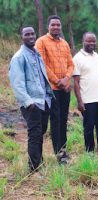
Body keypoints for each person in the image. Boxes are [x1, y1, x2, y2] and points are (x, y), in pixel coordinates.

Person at [9, 26, 53, 172]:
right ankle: (34, 168)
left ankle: (38, 161)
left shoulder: (36, 54)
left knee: (41, 132)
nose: (30, 36)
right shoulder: (19, 57)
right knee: (35, 134)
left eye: (32, 33)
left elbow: (41, 78)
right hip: (31, 103)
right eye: (27, 34)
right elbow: (17, 83)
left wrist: (49, 95)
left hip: (43, 101)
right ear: (22, 37)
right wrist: (28, 103)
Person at [35, 15, 74, 164]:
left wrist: (66, 78)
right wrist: (58, 81)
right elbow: (42, 65)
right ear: (48, 26)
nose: (56, 27)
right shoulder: (41, 42)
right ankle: (59, 154)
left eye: (58, 25)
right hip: (51, 89)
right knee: (56, 120)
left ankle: (63, 150)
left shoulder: (64, 43)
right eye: (53, 25)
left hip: (64, 89)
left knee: (64, 119)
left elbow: (71, 64)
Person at [73, 32, 98, 158]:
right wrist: (80, 102)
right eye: (88, 41)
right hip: (87, 101)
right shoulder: (77, 58)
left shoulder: (97, 57)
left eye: (93, 41)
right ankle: (89, 153)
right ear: (83, 41)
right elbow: (76, 82)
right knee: (89, 128)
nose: (91, 43)